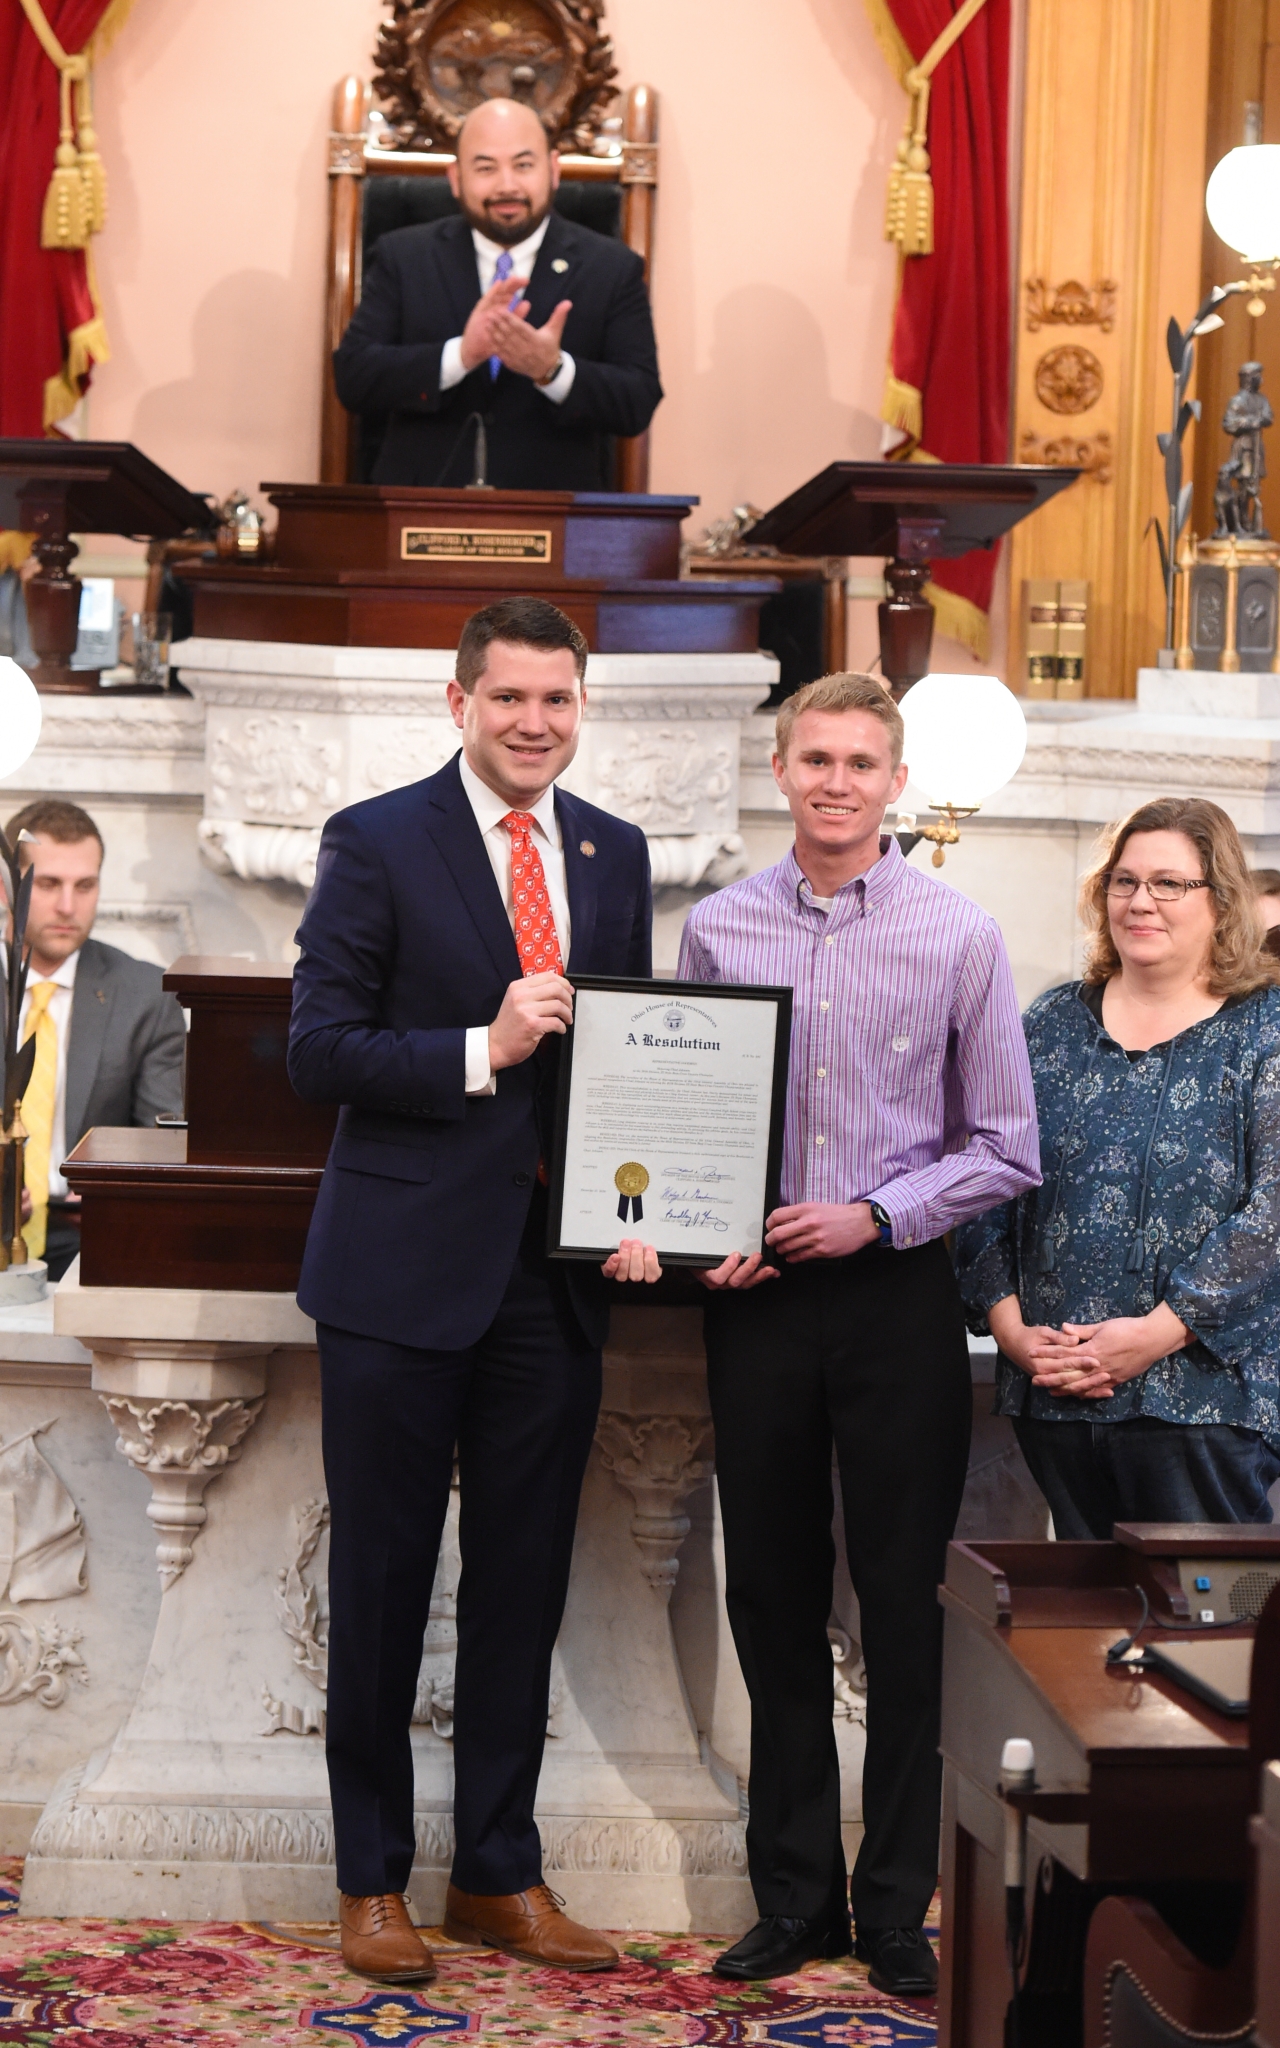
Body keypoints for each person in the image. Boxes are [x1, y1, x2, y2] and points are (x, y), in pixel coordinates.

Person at [288, 597, 658, 1986]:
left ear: (580, 707)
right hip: (396, 1275)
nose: (534, 723)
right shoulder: (375, 840)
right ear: (460, 703)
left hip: (551, 1285)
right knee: (383, 1587)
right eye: (509, 699)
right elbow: (319, 1050)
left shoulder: (615, 855)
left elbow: (624, 1067)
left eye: (557, 701)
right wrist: (478, 1046)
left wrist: (639, 1211)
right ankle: (369, 1882)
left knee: (522, 1590)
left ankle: (498, 1875)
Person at [674, 674, 1040, 1994]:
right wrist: (703, 1217)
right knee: (768, 1595)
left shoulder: (960, 934)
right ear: (779, 769)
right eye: (815, 758)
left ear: (895, 783)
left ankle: (894, 1908)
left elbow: (1006, 1147)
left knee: (902, 1608)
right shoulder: (717, 929)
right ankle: (794, 1900)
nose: (836, 782)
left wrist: (877, 1214)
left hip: (896, 1296)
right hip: (758, 1293)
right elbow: (684, 1111)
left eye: (860, 762)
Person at [957, 797, 1280, 1539]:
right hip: (1056, 1396)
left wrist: (1154, 1336)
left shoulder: (1264, 1029)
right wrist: (1012, 1332)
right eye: (1124, 881)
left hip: (1202, 1406)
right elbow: (982, 1178)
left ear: (1221, 900)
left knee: (1199, 1643)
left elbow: (1272, 1218)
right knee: (1087, 1639)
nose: (1141, 902)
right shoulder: (1050, 1023)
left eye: (1169, 883)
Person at [333, 97, 662, 490]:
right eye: (486, 168)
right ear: (456, 179)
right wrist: (461, 355)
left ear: (553, 170)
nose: (507, 186)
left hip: (557, 519)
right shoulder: (403, 256)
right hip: (421, 515)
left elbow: (638, 401)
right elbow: (353, 379)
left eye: (524, 165)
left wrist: (552, 369)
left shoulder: (610, 267)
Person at [3, 798, 185, 1280]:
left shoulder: (145, 994)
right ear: (8, 889)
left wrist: (115, 1181)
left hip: (89, 1233)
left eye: (85, 886)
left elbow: (166, 1137)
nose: (68, 905)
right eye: (48, 884)